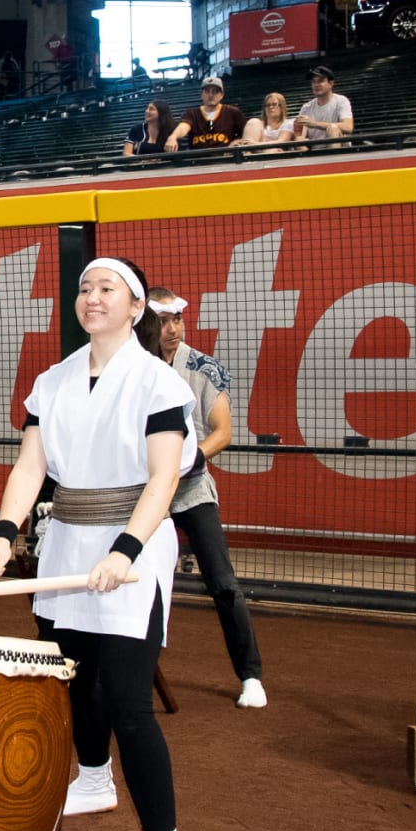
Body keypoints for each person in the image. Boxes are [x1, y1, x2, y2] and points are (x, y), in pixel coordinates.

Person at [0, 255, 195, 831]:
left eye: (108, 289)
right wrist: (5, 535)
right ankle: (93, 780)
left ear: (135, 308)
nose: (92, 297)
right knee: (73, 683)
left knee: (129, 705)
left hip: (135, 552)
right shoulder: (53, 380)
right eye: (84, 288)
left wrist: (128, 549)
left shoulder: (158, 383)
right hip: (66, 545)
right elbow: (31, 466)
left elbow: (162, 479)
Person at [148, 289, 265, 705]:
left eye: (177, 319)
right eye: (163, 321)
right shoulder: (130, 366)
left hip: (193, 489)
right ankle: (134, 673)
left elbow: (223, 432)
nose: (173, 329)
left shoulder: (202, 368)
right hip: (145, 493)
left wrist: (183, 459)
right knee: (138, 581)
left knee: (222, 581)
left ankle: (251, 676)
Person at [164, 77, 246, 152]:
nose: (211, 95)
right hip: (197, 160)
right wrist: (173, 136)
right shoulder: (192, 114)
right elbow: (184, 126)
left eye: (215, 91)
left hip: (225, 158)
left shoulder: (232, 112)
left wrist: (237, 142)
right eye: (207, 91)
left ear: (221, 95)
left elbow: (245, 134)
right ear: (201, 94)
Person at [296, 66, 354, 141]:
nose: (316, 85)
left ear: (331, 83)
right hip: (315, 150)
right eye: (314, 81)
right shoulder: (306, 107)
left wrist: (314, 124)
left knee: (333, 128)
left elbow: (348, 127)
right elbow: (299, 135)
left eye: (320, 81)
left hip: (340, 149)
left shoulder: (341, 101)